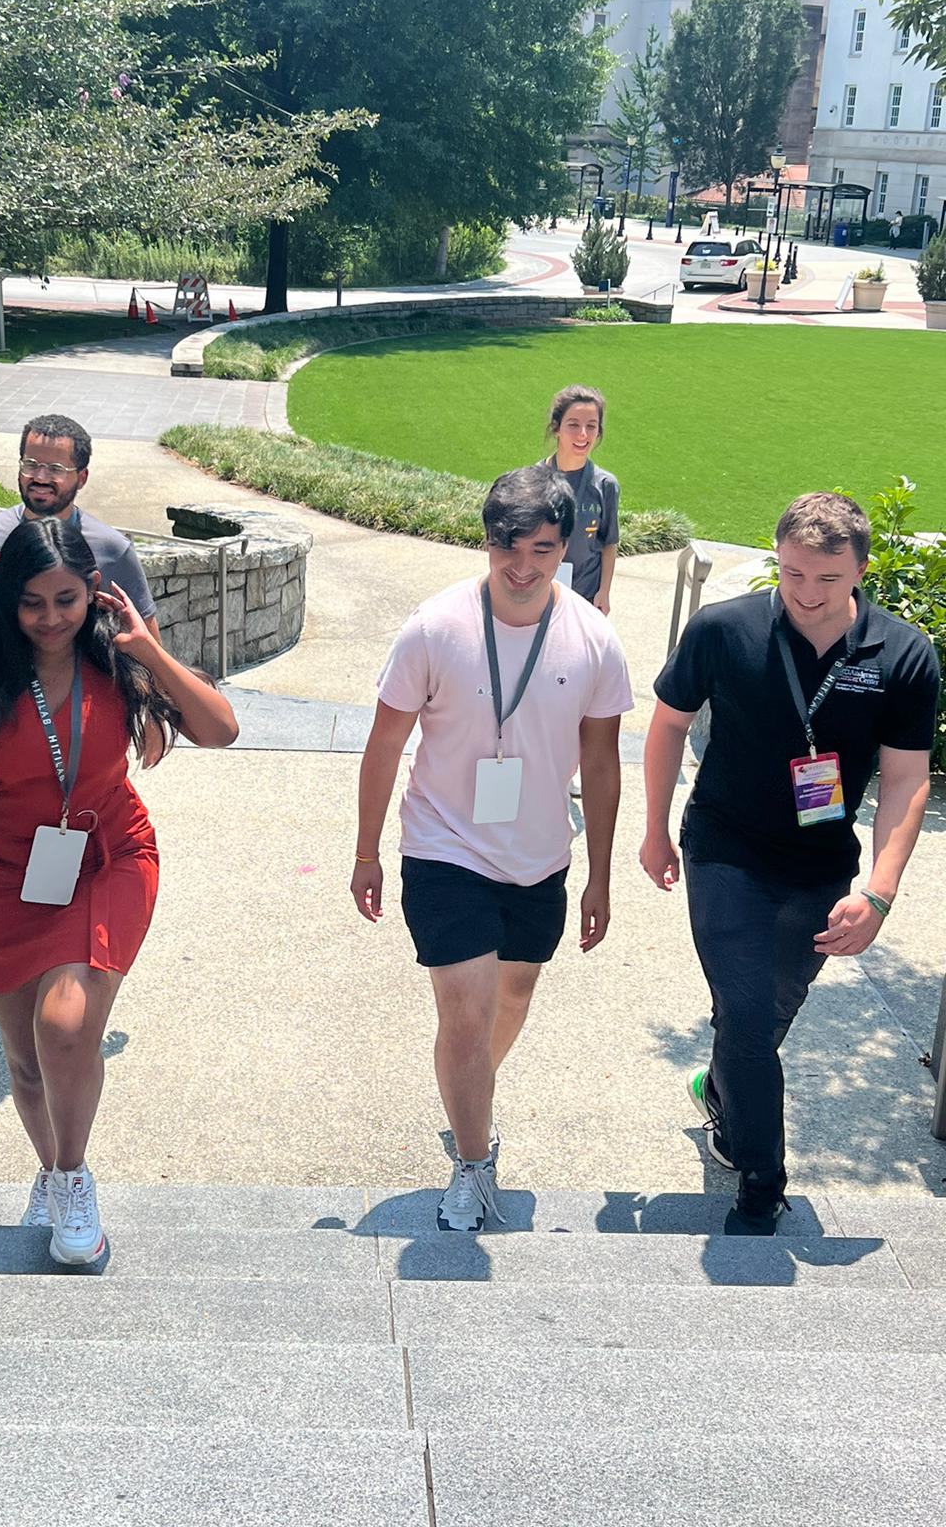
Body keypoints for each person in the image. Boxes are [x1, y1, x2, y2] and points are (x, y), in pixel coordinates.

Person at [0, 518, 238, 1265]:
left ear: (91, 594)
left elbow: (221, 729)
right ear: (7, 601)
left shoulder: (117, 658)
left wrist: (152, 651)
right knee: (26, 1065)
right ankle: (53, 1165)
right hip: (6, 875)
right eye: (32, 602)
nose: (50, 618)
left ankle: (72, 1179)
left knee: (67, 1024)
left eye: (67, 599)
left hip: (107, 858)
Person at [640, 493, 939, 1237]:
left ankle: (721, 1089)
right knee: (745, 1008)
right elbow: (669, 724)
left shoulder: (903, 654)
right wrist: (653, 829)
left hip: (820, 864)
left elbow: (906, 779)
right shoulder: (722, 628)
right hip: (724, 847)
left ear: (863, 570)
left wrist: (880, 891)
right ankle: (761, 1180)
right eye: (794, 574)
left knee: (766, 1013)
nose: (807, 594)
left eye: (828, 580)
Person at [351, 468, 633, 1232]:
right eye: (506, 547)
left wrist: (600, 875)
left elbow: (602, 765)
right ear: (485, 540)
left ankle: (466, 1088)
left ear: (566, 545)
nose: (522, 566)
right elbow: (384, 745)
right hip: (444, 846)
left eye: (541, 549)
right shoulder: (434, 627)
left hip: (541, 855)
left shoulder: (594, 639)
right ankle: (474, 1163)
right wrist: (367, 853)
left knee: (512, 997)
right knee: (467, 1014)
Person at [0, 412, 159, 737]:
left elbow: (145, 636)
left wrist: (151, 715)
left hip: (84, 712)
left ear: (82, 478)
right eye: (31, 464)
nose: (39, 477)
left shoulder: (112, 549)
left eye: (55, 469)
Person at [537, 385, 620, 616]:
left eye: (591, 426)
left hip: (584, 598)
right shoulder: (532, 481)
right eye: (573, 424)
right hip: (538, 595)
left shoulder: (605, 486)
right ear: (556, 428)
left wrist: (604, 591)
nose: (583, 434)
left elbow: (609, 542)